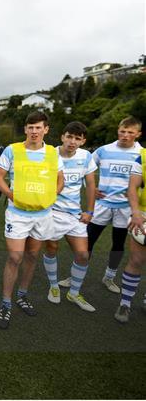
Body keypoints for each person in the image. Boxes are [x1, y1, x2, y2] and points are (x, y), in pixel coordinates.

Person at [0, 111, 64, 330]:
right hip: (18, 214)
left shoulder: (53, 152)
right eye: (30, 127)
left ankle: (22, 295)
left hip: (42, 215)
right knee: (15, 257)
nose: (34, 131)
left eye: (38, 127)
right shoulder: (12, 150)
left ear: (46, 129)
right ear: (25, 129)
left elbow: (60, 179)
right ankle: (6, 303)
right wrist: (12, 195)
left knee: (32, 255)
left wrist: (51, 196)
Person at [41, 122, 97, 312]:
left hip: (75, 214)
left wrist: (89, 211)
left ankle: (74, 292)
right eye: (70, 137)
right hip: (52, 212)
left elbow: (90, 185)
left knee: (82, 254)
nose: (72, 141)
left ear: (83, 141)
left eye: (77, 138)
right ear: (62, 137)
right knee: (52, 248)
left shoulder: (86, 157)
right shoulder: (49, 154)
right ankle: (54, 286)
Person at [87, 116, 142, 293]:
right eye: (122, 131)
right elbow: (85, 168)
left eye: (130, 132)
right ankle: (76, 274)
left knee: (118, 244)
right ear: (118, 131)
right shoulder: (103, 150)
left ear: (138, 134)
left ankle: (109, 277)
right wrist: (91, 189)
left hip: (125, 207)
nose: (125, 135)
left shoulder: (142, 154)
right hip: (102, 204)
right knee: (88, 240)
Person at [114, 148, 146, 323]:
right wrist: (135, 212)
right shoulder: (142, 157)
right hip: (143, 216)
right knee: (136, 260)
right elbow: (132, 187)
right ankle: (125, 303)